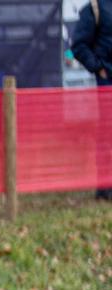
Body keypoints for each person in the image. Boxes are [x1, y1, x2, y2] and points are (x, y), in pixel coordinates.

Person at [70, 0, 112, 200]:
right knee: (108, 134)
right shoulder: (94, 9)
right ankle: (106, 188)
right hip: (108, 84)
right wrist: (98, 67)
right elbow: (78, 46)